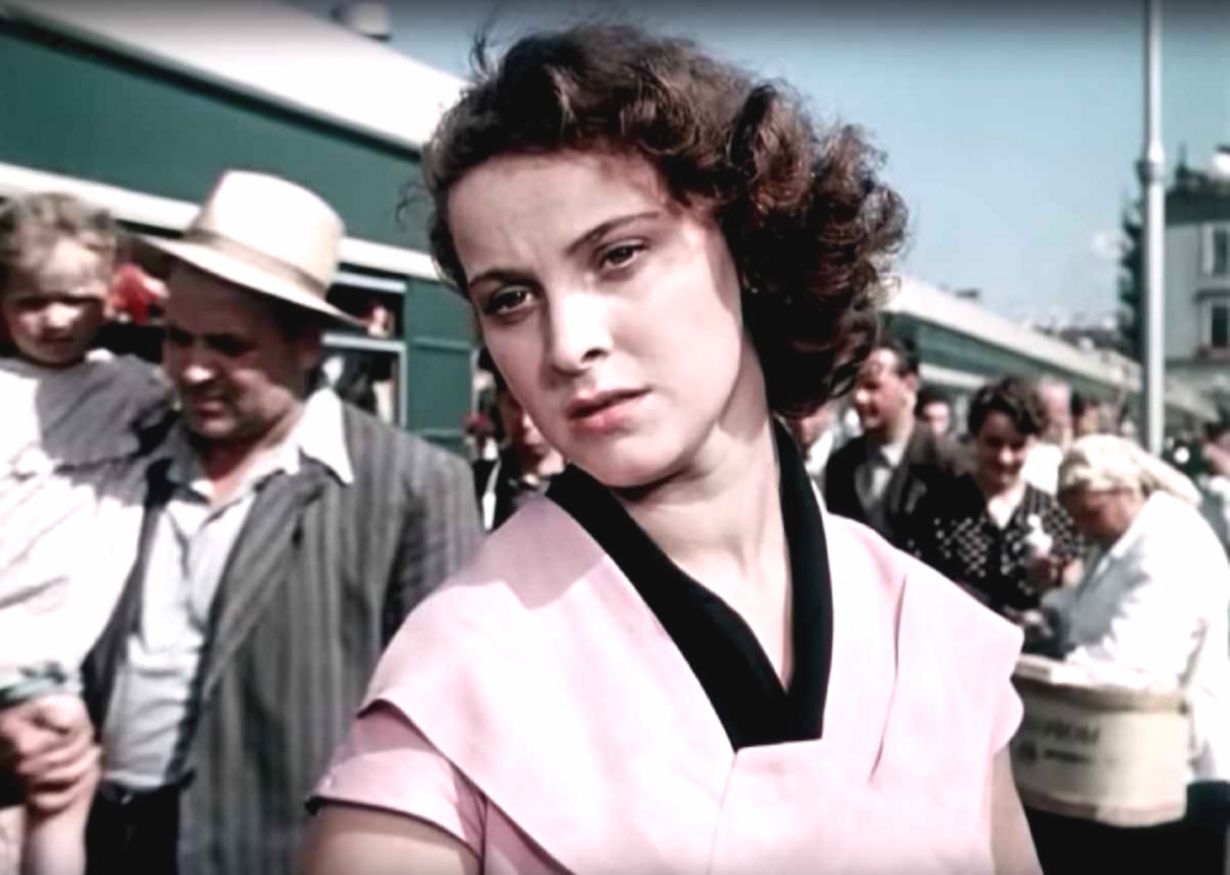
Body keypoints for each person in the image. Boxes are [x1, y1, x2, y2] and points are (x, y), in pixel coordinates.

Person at [303, 25, 1039, 875]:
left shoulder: (935, 635)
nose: (567, 343)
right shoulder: (452, 685)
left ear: (749, 243)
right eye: (509, 299)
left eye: (618, 255)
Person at [0, 172, 482, 875]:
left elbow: (452, 729)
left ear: (307, 344)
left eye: (228, 346)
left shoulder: (411, 487)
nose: (193, 370)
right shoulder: (116, 447)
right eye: (178, 338)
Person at [0, 193, 170, 875]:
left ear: (110, 295)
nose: (56, 318)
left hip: (80, 643)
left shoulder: (130, 388)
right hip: (18, 634)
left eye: (76, 298)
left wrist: (157, 297)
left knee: (51, 801)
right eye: (31, 300)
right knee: (58, 787)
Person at [1023, 434, 1230, 874]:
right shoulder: (1126, 536)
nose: (1081, 526)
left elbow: (1130, 664)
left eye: (1088, 512)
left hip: (1178, 771)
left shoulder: (1170, 546)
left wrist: (1042, 671)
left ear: (1123, 491)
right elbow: (1095, 603)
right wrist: (1053, 609)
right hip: (1137, 764)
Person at [908, 377, 1083, 618]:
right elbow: (918, 582)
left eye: (1017, 446)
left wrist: (1057, 578)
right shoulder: (939, 507)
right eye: (994, 443)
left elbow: (1077, 586)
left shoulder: (1051, 511)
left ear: (1033, 442)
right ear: (974, 437)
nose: (1004, 457)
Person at [824, 335, 962, 548]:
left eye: (872, 386)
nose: (859, 397)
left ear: (909, 386)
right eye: (855, 385)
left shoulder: (946, 463)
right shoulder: (841, 464)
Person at [472, 348, 564, 530]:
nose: (525, 422)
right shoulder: (476, 485)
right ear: (498, 404)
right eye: (514, 405)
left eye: (535, 405)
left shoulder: (597, 488)